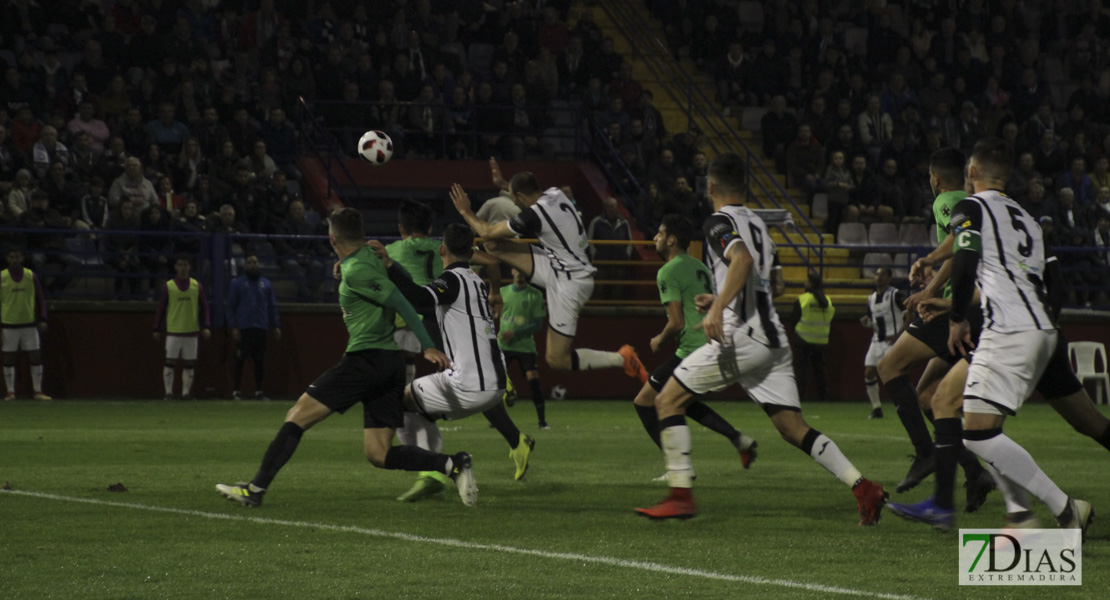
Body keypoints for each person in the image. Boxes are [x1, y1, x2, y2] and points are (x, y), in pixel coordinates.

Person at [635, 153, 887, 523]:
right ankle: (863, 487)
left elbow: (741, 261)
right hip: (773, 339)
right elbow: (765, 280)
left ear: (710, 187)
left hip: (744, 337)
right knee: (791, 428)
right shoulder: (758, 223)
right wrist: (720, 297)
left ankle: (680, 495)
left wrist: (719, 307)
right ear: (746, 187)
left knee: (667, 398)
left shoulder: (717, 221)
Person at [888, 139, 1093, 536]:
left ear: (972, 174)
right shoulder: (1028, 220)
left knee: (978, 432)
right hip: (1040, 327)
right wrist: (932, 262)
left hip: (1007, 329)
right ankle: (968, 508)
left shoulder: (969, 206)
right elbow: (1047, 279)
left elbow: (965, 258)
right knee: (950, 402)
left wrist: (957, 316)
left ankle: (1060, 510)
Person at [216, 208, 476, 509]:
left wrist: (428, 345)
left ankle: (255, 488)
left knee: (297, 416)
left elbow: (401, 300)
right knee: (378, 453)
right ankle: (453, 464)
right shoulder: (370, 257)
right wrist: (382, 264)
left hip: (365, 359)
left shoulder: (357, 269)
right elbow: (401, 285)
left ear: (331, 237)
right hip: (388, 363)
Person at [374, 224, 533, 502]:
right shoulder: (476, 282)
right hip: (496, 386)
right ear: (472, 252)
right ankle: (440, 466)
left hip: (469, 385)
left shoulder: (452, 280)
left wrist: (389, 265)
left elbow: (420, 298)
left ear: (442, 250)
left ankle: (435, 469)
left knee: (400, 400)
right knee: (417, 404)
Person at [449, 168, 649, 382]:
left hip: (571, 284)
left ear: (520, 196)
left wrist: (465, 211)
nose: (516, 206)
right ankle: (493, 289)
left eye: (515, 200)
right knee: (493, 246)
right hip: (557, 266)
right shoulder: (555, 193)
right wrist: (503, 183)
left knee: (556, 359)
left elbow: (487, 231)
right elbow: (519, 199)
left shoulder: (535, 215)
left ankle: (622, 358)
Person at [874, 147, 993, 505]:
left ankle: (926, 452)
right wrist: (932, 283)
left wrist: (933, 289)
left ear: (935, 178)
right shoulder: (976, 202)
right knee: (928, 396)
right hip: (974, 306)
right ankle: (974, 473)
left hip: (957, 311)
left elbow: (959, 245)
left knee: (888, 366)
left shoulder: (946, 202)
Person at [634, 215, 756, 476]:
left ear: (671, 239)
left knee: (644, 401)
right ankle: (737, 439)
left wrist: (658, 339)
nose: (654, 238)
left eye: (659, 233)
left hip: (690, 349)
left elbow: (677, 323)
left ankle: (678, 468)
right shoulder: (700, 266)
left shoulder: (666, 271)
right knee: (681, 401)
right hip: (710, 343)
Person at [153, 254, 212, 400]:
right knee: (169, 362)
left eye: (185, 265)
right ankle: (168, 393)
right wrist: (156, 328)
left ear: (189, 267)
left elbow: (204, 307)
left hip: (191, 330)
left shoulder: (196, 286)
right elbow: (161, 307)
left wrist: (206, 325)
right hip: (173, 330)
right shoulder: (169, 286)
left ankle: (186, 393)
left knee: (189, 364)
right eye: (180, 265)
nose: (182, 268)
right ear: (175, 267)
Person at [499, 268, 549, 428]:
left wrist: (514, 333)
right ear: (512, 271)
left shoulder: (535, 295)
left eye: (522, 270)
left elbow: (538, 325)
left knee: (533, 382)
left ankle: (542, 421)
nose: (520, 273)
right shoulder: (502, 292)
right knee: (497, 384)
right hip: (504, 346)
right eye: (517, 270)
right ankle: (497, 420)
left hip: (525, 347)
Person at [227, 254, 281, 401]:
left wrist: (275, 325)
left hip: (260, 328)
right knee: (239, 360)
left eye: (255, 262)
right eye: (250, 262)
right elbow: (231, 307)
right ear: (245, 265)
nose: (252, 265)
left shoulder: (266, 284)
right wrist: (234, 327)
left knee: (260, 361)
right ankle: (236, 391)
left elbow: (271, 306)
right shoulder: (237, 284)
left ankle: (259, 391)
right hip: (244, 328)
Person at [2, 248, 50, 400]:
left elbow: (40, 298)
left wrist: (43, 318)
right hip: (8, 324)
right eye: (12, 257)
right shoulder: (2, 277)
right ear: (7, 259)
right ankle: (10, 391)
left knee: (35, 356)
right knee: (8, 358)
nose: (15, 260)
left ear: (22, 258)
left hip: (29, 323)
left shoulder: (31, 276)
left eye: (17, 257)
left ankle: (38, 391)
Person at [860, 267, 905, 419]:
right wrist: (866, 323)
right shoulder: (871, 298)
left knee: (893, 374)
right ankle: (877, 408)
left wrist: (899, 335)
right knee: (869, 373)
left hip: (893, 341)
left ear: (889, 278)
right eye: (877, 274)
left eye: (883, 274)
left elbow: (909, 315)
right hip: (877, 340)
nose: (879, 277)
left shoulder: (895, 295)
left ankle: (903, 404)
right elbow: (872, 321)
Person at [790, 273, 834, 402]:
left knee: (802, 371)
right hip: (821, 341)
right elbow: (830, 317)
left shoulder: (803, 299)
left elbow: (794, 319)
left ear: (810, 283)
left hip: (803, 340)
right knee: (820, 371)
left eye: (807, 281)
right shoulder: (828, 301)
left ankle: (800, 397)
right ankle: (823, 397)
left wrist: (797, 332)